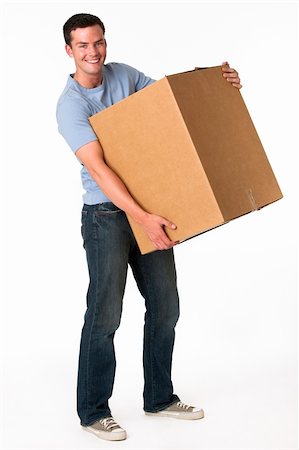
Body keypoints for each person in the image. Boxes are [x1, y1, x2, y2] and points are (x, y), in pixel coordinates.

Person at [56, 13, 242, 442]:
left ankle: (159, 397)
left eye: (98, 42)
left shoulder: (123, 75)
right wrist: (143, 218)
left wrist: (220, 83)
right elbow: (100, 171)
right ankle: (92, 411)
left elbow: (171, 104)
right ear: (69, 51)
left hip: (147, 209)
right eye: (83, 46)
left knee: (166, 305)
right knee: (105, 315)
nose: (93, 52)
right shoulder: (71, 106)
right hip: (107, 217)